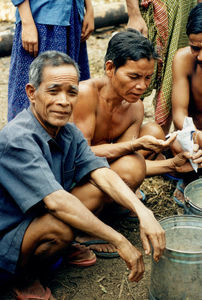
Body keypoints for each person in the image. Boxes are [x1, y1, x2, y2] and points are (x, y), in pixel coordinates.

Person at [0, 50, 170, 299]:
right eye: (53, 91)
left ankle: (61, 249)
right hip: (8, 232)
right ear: (31, 93)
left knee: (96, 191)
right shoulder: (18, 138)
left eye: (71, 93)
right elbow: (57, 202)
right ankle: (22, 279)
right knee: (61, 225)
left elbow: (102, 171)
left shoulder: (67, 132)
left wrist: (144, 212)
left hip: (34, 216)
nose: (64, 101)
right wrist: (120, 239)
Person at [72, 29, 194, 204]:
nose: (142, 86)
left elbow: (128, 158)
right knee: (131, 166)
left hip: (106, 166)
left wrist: (174, 164)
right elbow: (80, 156)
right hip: (77, 175)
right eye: (134, 76)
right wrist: (133, 145)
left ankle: (117, 199)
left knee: (153, 132)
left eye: (147, 78)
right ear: (110, 68)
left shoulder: (135, 107)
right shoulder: (85, 95)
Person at [8, 0, 94, 121]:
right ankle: (25, 136)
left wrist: (89, 9)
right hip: (41, 19)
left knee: (69, 89)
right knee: (38, 89)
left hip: (73, 15)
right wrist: (27, 22)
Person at [125, 0, 198, 134]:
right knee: (136, 72)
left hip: (186, 7)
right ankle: (121, 136)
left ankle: (160, 142)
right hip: (156, 9)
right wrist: (134, 13)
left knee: (170, 82)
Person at [171, 3, 202, 205]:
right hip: (194, 141)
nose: (200, 56)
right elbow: (179, 114)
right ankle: (191, 178)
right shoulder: (183, 59)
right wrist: (197, 136)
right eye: (195, 48)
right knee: (174, 142)